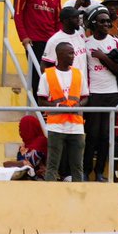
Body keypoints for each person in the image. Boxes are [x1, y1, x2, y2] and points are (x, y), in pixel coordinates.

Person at [83, 9, 118, 181]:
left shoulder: (116, 43)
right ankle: (86, 171)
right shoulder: (86, 44)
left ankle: (100, 172)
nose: (107, 24)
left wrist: (103, 57)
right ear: (94, 24)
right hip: (94, 93)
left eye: (109, 21)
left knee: (105, 136)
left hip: (112, 94)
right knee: (92, 135)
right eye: (102, 21)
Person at [38, 41, 88, 182]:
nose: (73, 56)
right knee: (53, 164)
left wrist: (78, 104)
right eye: (70, 53)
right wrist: (58, 107)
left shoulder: (79, 74)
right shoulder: (47, 75)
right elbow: (41, 100)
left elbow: (85, 98)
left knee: (77, 165)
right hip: (56, 126)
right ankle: (50, 195)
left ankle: (79, 194)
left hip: (76, 126)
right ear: (60, 55)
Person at [13, 0, 61, 93]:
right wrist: (24, 37)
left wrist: (57, 39)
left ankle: (47, 110)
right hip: (33, 41)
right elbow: (18, 15)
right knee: (35, 77)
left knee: (50, 76)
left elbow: (58, 20)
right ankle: (37, 110)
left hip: (50, 42)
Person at [43, 6, 90, 80]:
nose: (78, 20)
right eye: (75, 18)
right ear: (65, 21)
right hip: (65, 85)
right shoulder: (54, 40)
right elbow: (45, 65)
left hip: (83, 83)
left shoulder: (81, 32)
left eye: (78, 17)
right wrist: (52, 84)